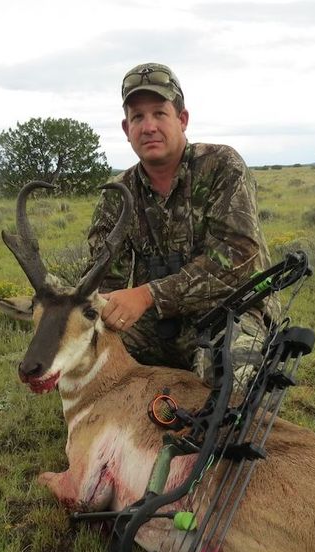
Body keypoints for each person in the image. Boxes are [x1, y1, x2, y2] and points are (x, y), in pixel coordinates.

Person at [85, 62, 277, 387]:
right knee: (88, 355)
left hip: (231, 309)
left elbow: (235, 263)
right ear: (125, 128)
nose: (148, 127)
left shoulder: (221, 166)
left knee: (225, 371)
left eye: (159, 113)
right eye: (137, 117)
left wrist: (147, 295)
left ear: (182, 119)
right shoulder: (118, 195)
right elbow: (104, 280)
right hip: (158, 322)